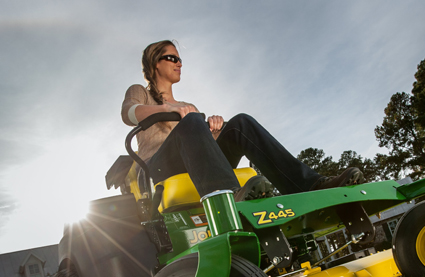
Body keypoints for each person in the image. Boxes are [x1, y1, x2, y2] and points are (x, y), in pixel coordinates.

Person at [121, 40, 363, 201]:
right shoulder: (141, 93)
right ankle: (227, 198)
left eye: (180, 59)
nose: (180, 63)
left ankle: (310, 187)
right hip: (158, 168)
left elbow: (204, 149)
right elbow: (129, 113)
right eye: (172, 58)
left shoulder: (189, 107)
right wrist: (168, 108)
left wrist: (214, 131)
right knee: (192, 120)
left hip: (194, 164)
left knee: (241, 123)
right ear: (155, 62)